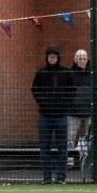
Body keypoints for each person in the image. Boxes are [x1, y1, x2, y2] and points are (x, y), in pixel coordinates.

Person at [31, 45, 72, 183]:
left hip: (61, 115)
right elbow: (34, 90)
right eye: (50, 56)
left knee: (62, 147)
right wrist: (42, 101)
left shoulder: (66, 72)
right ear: (47, 58)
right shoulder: (41, 73)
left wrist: (65, 103)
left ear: (58, 58)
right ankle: (47, 177)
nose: (52, 59)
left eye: (54, 56)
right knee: (45, 147)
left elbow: (72, 90)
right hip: (45, 115)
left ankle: (61, 176)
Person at [68, 49, 97, 168]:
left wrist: (94, 101)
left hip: (89, 111)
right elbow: (66, 91)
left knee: (89, 138)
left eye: (84, 59)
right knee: (69, 138)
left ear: (87, 60)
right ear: (75, 60)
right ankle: (69, 162)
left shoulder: (93, 74)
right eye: (80, 58)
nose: (82, 61)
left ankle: (88, 163)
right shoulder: (70, 74)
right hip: (73, 112)